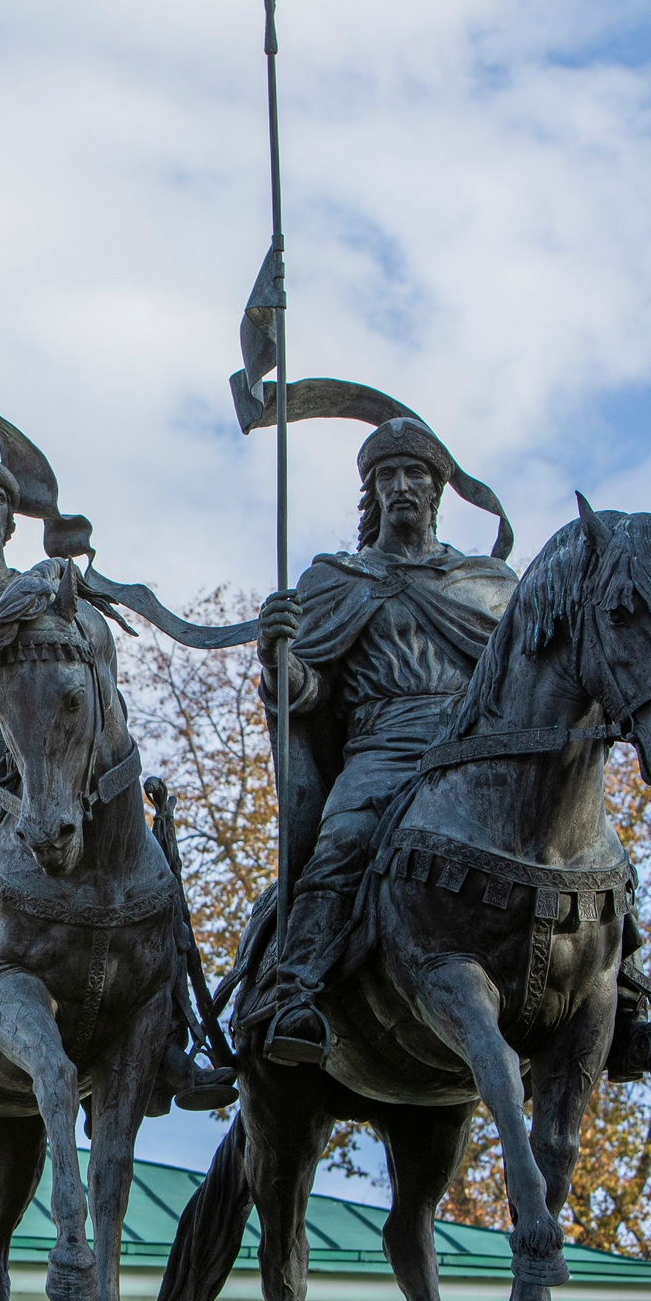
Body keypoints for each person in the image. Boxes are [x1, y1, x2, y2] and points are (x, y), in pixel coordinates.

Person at [253, 418, 516, 1064]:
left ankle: (622, 988)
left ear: (436, 490)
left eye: (415, 474)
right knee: (341, 843)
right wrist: (275, 654)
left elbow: (529, 673)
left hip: (472, 750)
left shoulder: (485, 582)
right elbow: (304, 693)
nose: (402, 486)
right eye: (387, 476)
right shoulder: (339, 579)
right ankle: (295, 991)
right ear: (372, 493)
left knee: (572, 831)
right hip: (382, 748)